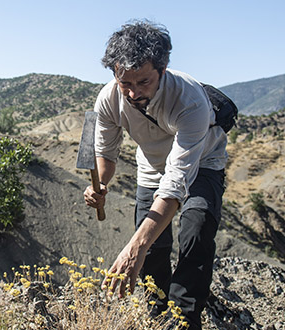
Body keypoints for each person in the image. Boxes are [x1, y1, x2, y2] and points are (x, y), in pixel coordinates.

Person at [83, 20, 227, 329]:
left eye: (144, 82)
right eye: (126, 83)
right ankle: (159, 314)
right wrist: (102, 184)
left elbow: (177, 183)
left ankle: (186, 319)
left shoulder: (190, 100)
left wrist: (134, 246)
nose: (134, 93)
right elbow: (106, 153)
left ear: (162, 70)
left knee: (197, 229)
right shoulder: (109, 99)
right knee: (155, 249)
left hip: (202, 163)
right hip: (151, 168)